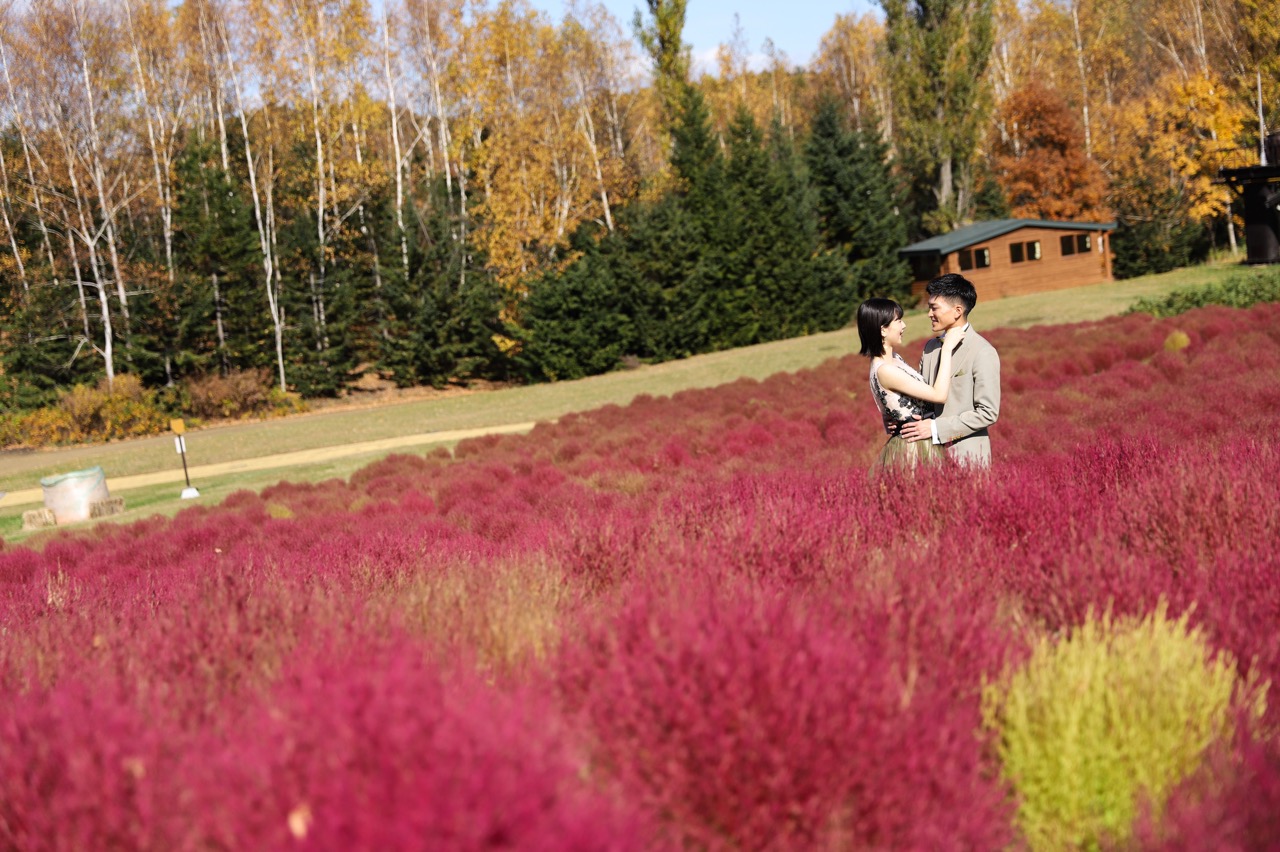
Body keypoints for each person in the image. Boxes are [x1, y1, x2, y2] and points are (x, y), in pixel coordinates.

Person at [898, 274, 1001, 467]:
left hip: (968, 460)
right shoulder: (930, 348)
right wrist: (900, 419)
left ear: (957, 311)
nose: (929, 314)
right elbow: (925, 402)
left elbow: (988, 412)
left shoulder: (982, 351)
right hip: (928, 459)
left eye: (934, 308)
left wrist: (936, 429)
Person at [857, 297, 966, 470]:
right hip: (915, 448)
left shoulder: (894, 359)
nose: (904, 325)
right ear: (883, 330)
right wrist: (947, 349)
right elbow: (939, 395)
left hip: (920, 439)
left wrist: (895, 419)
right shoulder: (886, 370)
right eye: (898, 321)